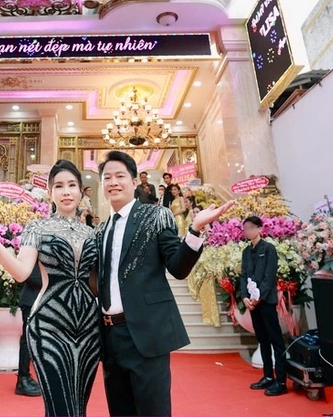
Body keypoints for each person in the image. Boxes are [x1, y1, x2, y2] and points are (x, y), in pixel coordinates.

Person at [0, 160, 100, 417]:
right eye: (59, 186)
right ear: (50, 192)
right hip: (49, 325)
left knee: (79, 407)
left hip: (88, 327)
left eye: (72, 185)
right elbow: (21, 272)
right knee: (59, 407)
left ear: (81, 191)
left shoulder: (92, 234)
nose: (66, 191)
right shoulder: (37, 228)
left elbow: (97, 283)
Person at [97, 150, 234, 416]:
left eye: (120, 176)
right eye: (107, 177)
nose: (113, 182)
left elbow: (177, 268)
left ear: (134, 181)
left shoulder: (156, 215)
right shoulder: (101, 230)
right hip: (110, 337)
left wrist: (195, 230)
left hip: (146, 332)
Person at [241, 215, 287, 397]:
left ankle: (281, 381)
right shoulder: (246, 252)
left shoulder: (269, 249)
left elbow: (269, 276)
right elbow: (244, 275)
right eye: (245, 228)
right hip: (253, 303)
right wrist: (245, 297)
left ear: (259, 229)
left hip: (266, 300)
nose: (248, 231)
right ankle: (268, 376)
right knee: (262, 339)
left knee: (276, 340)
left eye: (251, 228)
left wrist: (258, 297)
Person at [15, 262, 42, 397]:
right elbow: (29, 275)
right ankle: (23, 379)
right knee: (28, 340)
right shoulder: (32, 250)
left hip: (43, 301)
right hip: (32, 300)